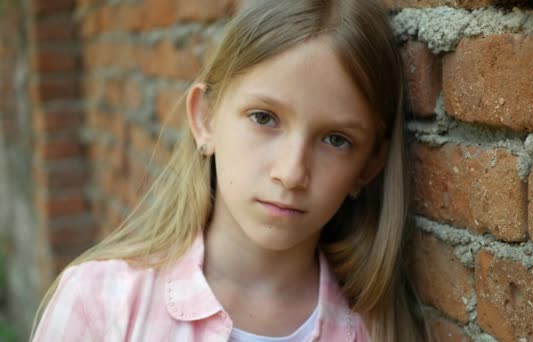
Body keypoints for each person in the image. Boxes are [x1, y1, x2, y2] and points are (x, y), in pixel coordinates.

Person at [31, 0, 424, 340]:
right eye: (264, 118)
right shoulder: (101, 303)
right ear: (205, 119)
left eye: (336, 139)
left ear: (370, 164)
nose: (290, 173)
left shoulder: (376, 331)